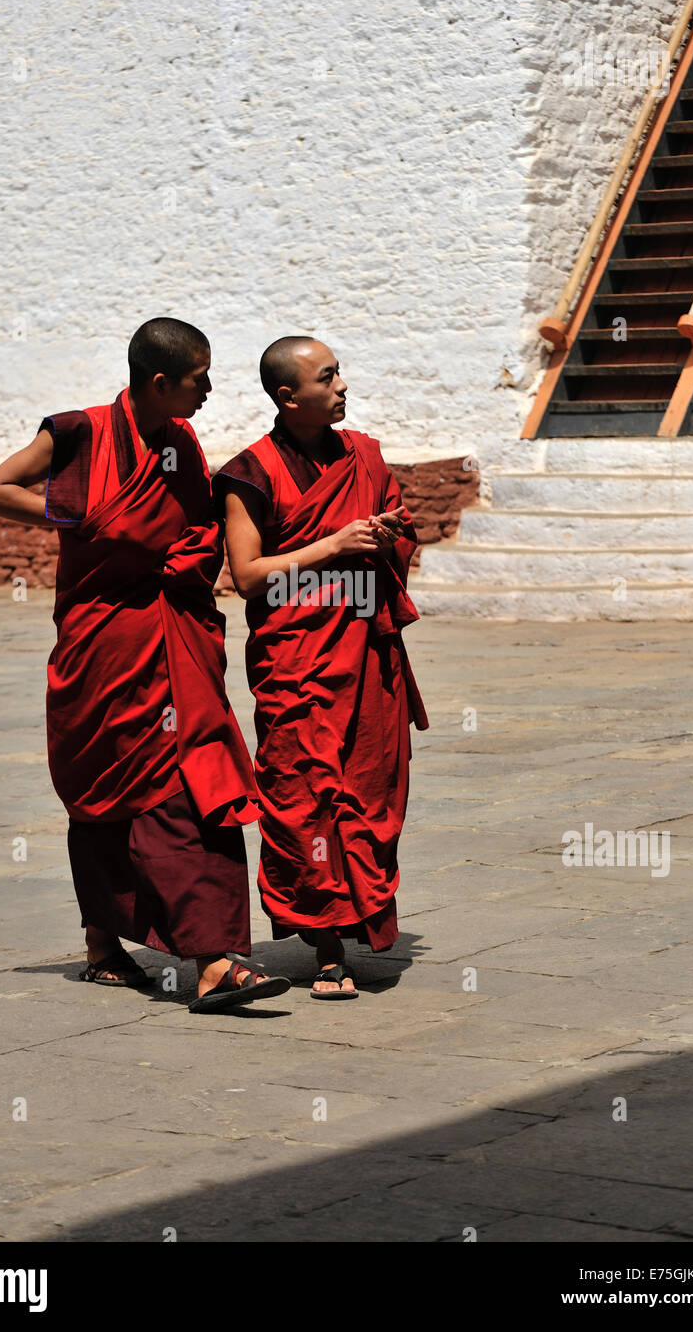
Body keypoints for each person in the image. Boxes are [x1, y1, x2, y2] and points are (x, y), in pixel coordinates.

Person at [0, 317, 291, 1013]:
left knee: (190, 788)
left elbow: (197, 524)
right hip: (101, 643)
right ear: (159, 382)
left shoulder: (179, 442)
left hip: (170, 634)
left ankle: (211, 959)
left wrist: (196, 552)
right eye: (197, 379)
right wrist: (80, 517)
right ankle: (104, 945)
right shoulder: (78, 433)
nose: (208, 390)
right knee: (101, 794)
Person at [215, 336, 428, 1000]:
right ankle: (327, 943)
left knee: (369, 791)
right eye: (327, 377)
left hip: (368, 648)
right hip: (297, 657)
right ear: (288, 396)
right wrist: (334, 542)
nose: (342, 386)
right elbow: (249, 576)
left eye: (339, 373)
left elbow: (398, 522)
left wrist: (389, 531)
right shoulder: (250, 473)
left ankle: (355, 917)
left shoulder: (361, 453)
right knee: (305, 794)